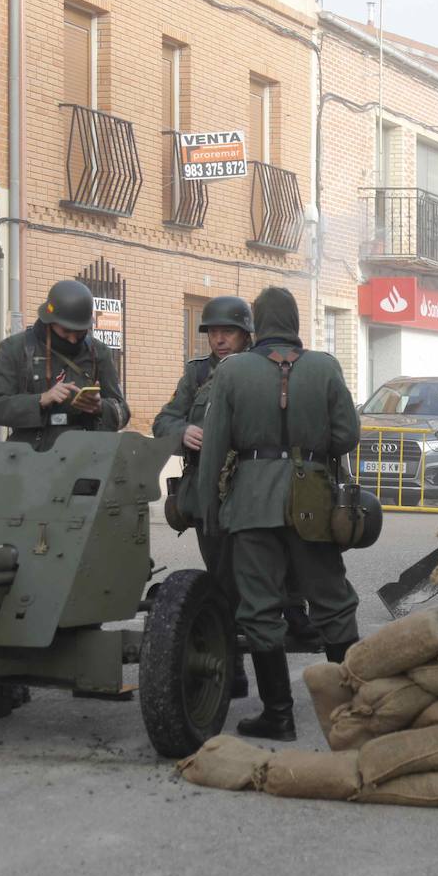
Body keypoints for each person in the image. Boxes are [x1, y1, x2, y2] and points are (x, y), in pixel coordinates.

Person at [197, 286, 361, 741]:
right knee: (333, 602)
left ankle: (279, 715)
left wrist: (208, 508)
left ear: (256, 323)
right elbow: (348, 436)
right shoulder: (325, 367)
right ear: (295, 322)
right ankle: (357, 708)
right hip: (314, 501)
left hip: (251, 501)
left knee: (259, 608)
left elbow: (213, 448)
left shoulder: (232, 372)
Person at [151, 296, 323, 702]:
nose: (219, 339)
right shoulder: (197, 375)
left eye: (227, 332)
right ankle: (232, 670)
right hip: (212, 490)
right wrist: (182, 433)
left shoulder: (273, 366)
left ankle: (293, 615)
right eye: (212, 332)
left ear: (248, 334)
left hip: (255, 486)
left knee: (273, 572)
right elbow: (164, 419)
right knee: (224, 583)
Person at [0, 278, 129, 449]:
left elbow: (122, 411)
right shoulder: (15, 349)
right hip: (30, 457)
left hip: (87, 454)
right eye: (66, 331)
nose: (73, 340)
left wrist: (100, 407)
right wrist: (41, 400)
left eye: (80, 332)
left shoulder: (99, 352)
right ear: (49, 322)